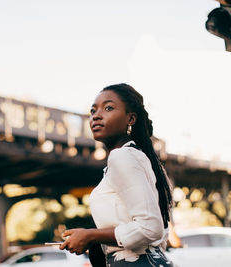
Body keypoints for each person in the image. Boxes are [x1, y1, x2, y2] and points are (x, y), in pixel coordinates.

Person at [59, 83, 174, 266]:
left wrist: (90, 235)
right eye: (93, 111)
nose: (96, 115)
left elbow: (150, 228)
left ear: (131, 119)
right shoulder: (135, 156)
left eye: (108, 108)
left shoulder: (122, 156)